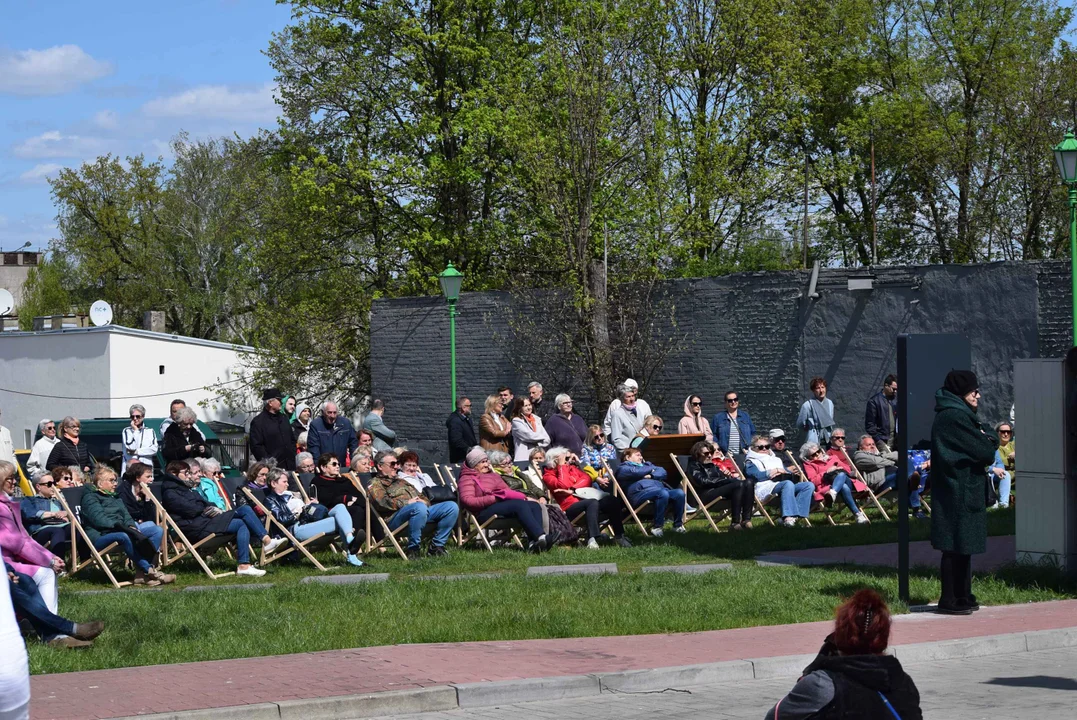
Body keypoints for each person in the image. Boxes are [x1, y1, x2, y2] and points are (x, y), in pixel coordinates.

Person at [765, 589, 922, 719]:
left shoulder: (822, 684)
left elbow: (774, 717)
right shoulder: (903, 682)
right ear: (883, 637)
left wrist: (811, 671)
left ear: (840, 636)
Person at [931, 370, 998, 615]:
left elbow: (989, 435)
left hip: (962, 488)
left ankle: (963, 594)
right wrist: (985, 440)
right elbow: (986, 450)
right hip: (956, 488)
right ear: (962, 393)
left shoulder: (961, 415)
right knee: (953, 544)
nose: (978, 396)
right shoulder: (954, 417)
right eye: (974, 391)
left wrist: (986, 438)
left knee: (963, 544)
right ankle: (949, 598)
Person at [160, 460, 285, 577]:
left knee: (241, 523)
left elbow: (207, 504)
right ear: (173, 474)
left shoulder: (186, 489)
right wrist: (207, 510)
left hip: (204, 522)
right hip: (195, 528)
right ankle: (267, 541)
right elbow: (191, 510)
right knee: (245, 510)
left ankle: (244, 565)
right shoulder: (170, 493)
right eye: (186, 473)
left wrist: (209, 508)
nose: (189, 476)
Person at [0, 460, 68, 638]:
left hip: (12, 562)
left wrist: (51, 556)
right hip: (5, 563)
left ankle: (47, 626)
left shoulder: (8, 504)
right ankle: (50, 628)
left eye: (14, 478)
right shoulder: (2, 508)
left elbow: (25, 538)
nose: (14, 482)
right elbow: (16, 543)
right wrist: (48, 561)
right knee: (44, 574)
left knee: (46, 573)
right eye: (9, 479)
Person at [80, 467, 175, 586]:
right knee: (125, 535)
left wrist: (130, 525)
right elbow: (99, 519)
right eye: (111, 480)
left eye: (115, 480)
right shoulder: (90, 497)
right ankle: (149, 570)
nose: (115, 484)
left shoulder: (114, 497)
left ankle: (141, 575)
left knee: (156, 530)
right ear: (100, 483)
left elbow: (126, 515)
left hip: (122, 530)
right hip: (100, 536)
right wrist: (122, 527)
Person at [263, 467, 364, 567]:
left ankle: (350, 539)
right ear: (273, 483)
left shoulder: (291, 494)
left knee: (340, 507)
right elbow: (281, 520)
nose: (287, 484)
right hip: (296, 529)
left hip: (308, 522)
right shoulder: (270, 500)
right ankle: (352, 555)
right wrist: (297, 513)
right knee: (339, 521)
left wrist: (311, 506)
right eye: (284, 482)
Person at [458, 447, 551, 552]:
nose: (486, 464)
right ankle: (540, 537)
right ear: (474, 465)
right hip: (483, 512)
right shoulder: (466, 478)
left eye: (486, 461)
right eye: (482, 462)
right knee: (519, 505)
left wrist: (524, 498)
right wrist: (494, 498)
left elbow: (507, 492)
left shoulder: (493, 476)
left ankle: (533, 543)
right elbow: (468, 501)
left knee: (534, 505)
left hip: (501, 507)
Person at [368, 451, 459, 558]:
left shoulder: (401, 481)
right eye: (392, 464)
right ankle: (413, 549)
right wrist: (407, 503)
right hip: (394, 519)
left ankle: (436, 546)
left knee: (451, 507)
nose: (396, 467)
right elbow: (382, 503)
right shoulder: (375, 483)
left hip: (419, 512)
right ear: (380, 466)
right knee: (418, 507)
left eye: (397, 463)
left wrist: (424, 502)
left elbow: (422, 497)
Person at [544, 447, 630, 548]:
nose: (568, 461)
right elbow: (563, 485)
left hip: (587, 501)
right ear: (555, 461)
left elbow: (587, 479)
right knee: (592, 502)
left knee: (612, 500)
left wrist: (573, 489)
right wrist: (562, 466)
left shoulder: (572, 469)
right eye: (566, 459)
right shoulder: (548, 476)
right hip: (570, 507)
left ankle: (619, 536)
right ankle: (592, 539)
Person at [744, 434, 813, 526]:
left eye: (767, 446)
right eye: (761, 447)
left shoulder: (776, 459)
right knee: (787, 484)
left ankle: (796, 517)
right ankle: (787, 518)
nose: (764, 449)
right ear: (753, 448)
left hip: (782, 484)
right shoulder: (751, 461)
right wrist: (772, 472)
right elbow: (755, 475)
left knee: (808, 485)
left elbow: (784, 470)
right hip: (765, 487)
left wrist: (789, 472)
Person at [615, 446, 685, 535]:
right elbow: (636, 472)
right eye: (637, 455)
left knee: (679, 493)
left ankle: (678, 525)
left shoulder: (645, 466)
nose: (641, 457)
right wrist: (651, 468)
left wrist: (651, 475)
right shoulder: (623, 469)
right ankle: (657, 527)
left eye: (641, 455)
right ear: (628, 458)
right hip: (639, 494)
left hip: (658, 491)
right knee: (662, 493)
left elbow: (662, 471)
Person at [686, 441, 753, 530]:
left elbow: (721, 480)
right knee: (738, 484)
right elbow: (703, 481)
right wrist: (725, 480)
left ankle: (746, 520)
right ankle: (735, 523)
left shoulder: (712, 465)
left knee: (748, 482)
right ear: (697, 454)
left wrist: (726, 476)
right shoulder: (693, 466)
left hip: (718, 491)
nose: (710, 455)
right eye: (706, 453)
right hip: (706, 494)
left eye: (711, 453)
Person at [310, 452, 375, 540]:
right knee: (357, 510)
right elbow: (325, 500)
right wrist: (347, 498)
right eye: (334, 464)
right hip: (332, 512)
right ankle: (353, 542)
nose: (337, 466)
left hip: (351, 507)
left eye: (338, 464)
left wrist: (354, 500)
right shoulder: (318, 481)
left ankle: (380, 543)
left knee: (368, 508)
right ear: (323, 467)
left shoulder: (344, 480)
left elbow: (359, 495)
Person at [801, 442, 868, 523]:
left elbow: (848, 470)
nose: (818, 454)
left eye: (818, 451)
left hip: (845, 481)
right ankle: (858, 515)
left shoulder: (833, 458)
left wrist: (837, 468)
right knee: (843, 487)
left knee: (842, 474)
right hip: (828, 486)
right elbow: (813, 481)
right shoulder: (809, 465)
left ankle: (832, 493)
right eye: (814, 455)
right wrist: (826, 472)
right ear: (809, 457)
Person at [20, 470, 72, 557]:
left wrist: (65, 512)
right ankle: (59, 563)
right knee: (57, 531)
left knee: (75, 528)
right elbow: (29, 514)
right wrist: (53, 514)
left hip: (62, 528)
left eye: (54, 483)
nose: (53, 486)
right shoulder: (29, 500)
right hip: (41, 532)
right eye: (49, 484)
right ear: (38, 487)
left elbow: (70, 514)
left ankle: (85, 560)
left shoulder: (58, 500)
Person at [119, 462, 166, 545]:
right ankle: (151, 554)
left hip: (143, 525)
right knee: (152, 526)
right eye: (148, 477)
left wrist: (148, 499)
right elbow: (126, 512)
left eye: (151, 476)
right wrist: (140, 517)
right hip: (128, 526)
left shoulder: (147, 491)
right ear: (137, 478)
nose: (151, 480)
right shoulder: (124, 491)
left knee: (159, 525)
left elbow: (153, 517)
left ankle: (152, 554)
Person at [249, 388, 296, 470]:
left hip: (290, 465)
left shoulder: (284, 418)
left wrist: (292, 452)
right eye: (279, 400)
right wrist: (268, 463)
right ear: (270, 402)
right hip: (273, 469)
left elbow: (292, 439)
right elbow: (256, 446)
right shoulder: (258, 422)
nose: (281, 402)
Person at [307, 401, 358, 467]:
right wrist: (318, 466)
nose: (332, 416)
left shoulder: (345, 423)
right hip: (324, 466)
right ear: (323, 412)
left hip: (341, 464)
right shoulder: (316, 425)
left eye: (334, 412)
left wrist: (354, 461)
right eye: (329, 412)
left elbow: (353, 443)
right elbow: (313, 448)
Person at [711, 390, 755, 456]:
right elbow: (713, 435)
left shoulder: (745, 416)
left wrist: (750, 447)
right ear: (726, 403)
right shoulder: (718, 417)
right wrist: (719, 450)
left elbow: (753, 433)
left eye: (735, 399)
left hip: (744, 453)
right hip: (726, 454)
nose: (733, 402)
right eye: (730, 400)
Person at [797, 377, 836, 446]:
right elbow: (800, 424)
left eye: (823, 387)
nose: (821, 390)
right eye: (818, 388)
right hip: (814, 439)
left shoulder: (830, 403)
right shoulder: (807, 405)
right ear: (813, 390)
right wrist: (809, 427)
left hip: (828, 438)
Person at [608, 384, 647, 451]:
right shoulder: (617, 414)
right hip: (628, 455)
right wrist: (628, 451)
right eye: (628, 397)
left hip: (640, 452)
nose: (632, 399)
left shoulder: (638, 411)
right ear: (622, 399)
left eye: (633, 396)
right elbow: (616, 439)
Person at [865, 374, 899, 451]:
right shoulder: (874, 401)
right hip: (883, 440)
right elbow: (870, 425)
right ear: (886, 386)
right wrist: (879, 441)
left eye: (897, 389)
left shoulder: (896, 400)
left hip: (896, 440)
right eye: (893, 389)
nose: (895, 391)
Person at [121, 404, 158, 472]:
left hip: (146, 469)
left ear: (143, 417)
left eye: (137, 416)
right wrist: (135, 430)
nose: (135, 419)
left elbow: (154, 449)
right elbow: (131, 447)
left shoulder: (150, 431)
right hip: (131, 469)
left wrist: (137, 452)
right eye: (132, 417)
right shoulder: (127, 431)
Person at [446, 397, 478, 463]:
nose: (471, 408)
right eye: (469, 405)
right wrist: (469, 449)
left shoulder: (466, 419)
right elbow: (456, 440)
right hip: (461, 458)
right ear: (463, 408)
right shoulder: (455, 421)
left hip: (468, 456)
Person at [996, 420, 1015, 485]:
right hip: (1005, 475)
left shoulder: (1014, 444)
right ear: (997, 433)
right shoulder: (995, 447)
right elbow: (1000, 462)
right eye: (1003, 432)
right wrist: (1010, 458)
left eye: (1008, 432)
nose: (1006, 434)